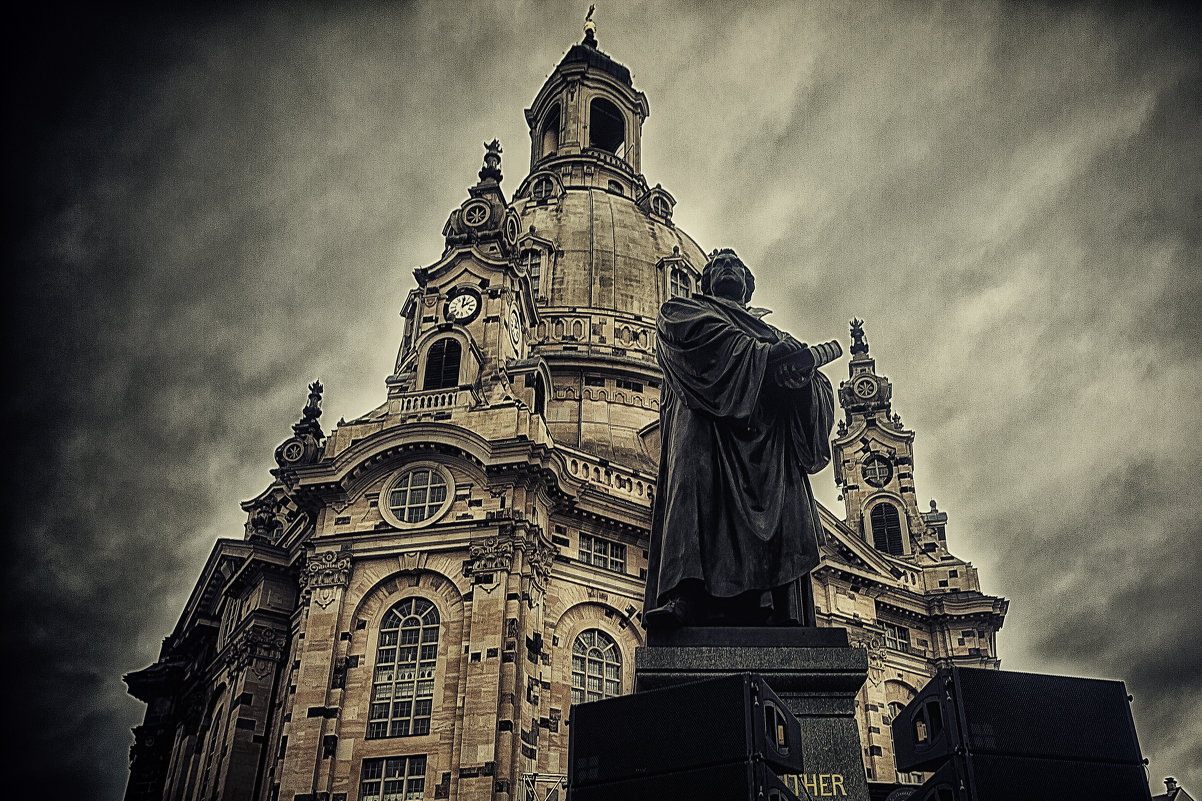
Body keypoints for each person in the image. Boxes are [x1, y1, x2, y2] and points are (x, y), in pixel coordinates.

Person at [643, 249, 836, 628]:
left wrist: (800, 382)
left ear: (748, 287)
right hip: (706, 431)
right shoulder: (683, 311)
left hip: (767, 446)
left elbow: (818, 393)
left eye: (735, 265)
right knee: (694, 485)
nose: (728, 268)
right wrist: (764, 357)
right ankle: (687, 594)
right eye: (718, 265)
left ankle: (782, 608)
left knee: (784, 499)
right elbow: (690, 341)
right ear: (705, 282)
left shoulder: (778, 336)